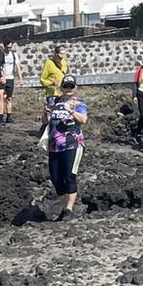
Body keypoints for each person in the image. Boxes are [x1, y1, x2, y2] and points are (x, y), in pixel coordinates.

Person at [43, 75, 89, 216]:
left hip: (73, 144)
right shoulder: (54, 101)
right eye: (66, 86)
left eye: (71, 86)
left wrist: (71, 111)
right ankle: (64, 209)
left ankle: (69, 208)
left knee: (69, 176)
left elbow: (83, 119)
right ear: (61, 87)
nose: (68, 89)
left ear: (75, 88)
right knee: (56, 178)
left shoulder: (79, 103)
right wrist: (45, 113)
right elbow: (45, 121)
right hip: (54, 146)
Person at [0, 39, 21, 120]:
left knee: (9, 98)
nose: (9, 49)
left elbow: (18, 67)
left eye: (10, 47)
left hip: (10, 78)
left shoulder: (14, 55)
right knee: (1, 97)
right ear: (4, 46)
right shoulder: (1, 54)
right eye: (7, 47)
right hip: (2, 78)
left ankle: (8, 115)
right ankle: (0, 114)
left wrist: (20, 79)